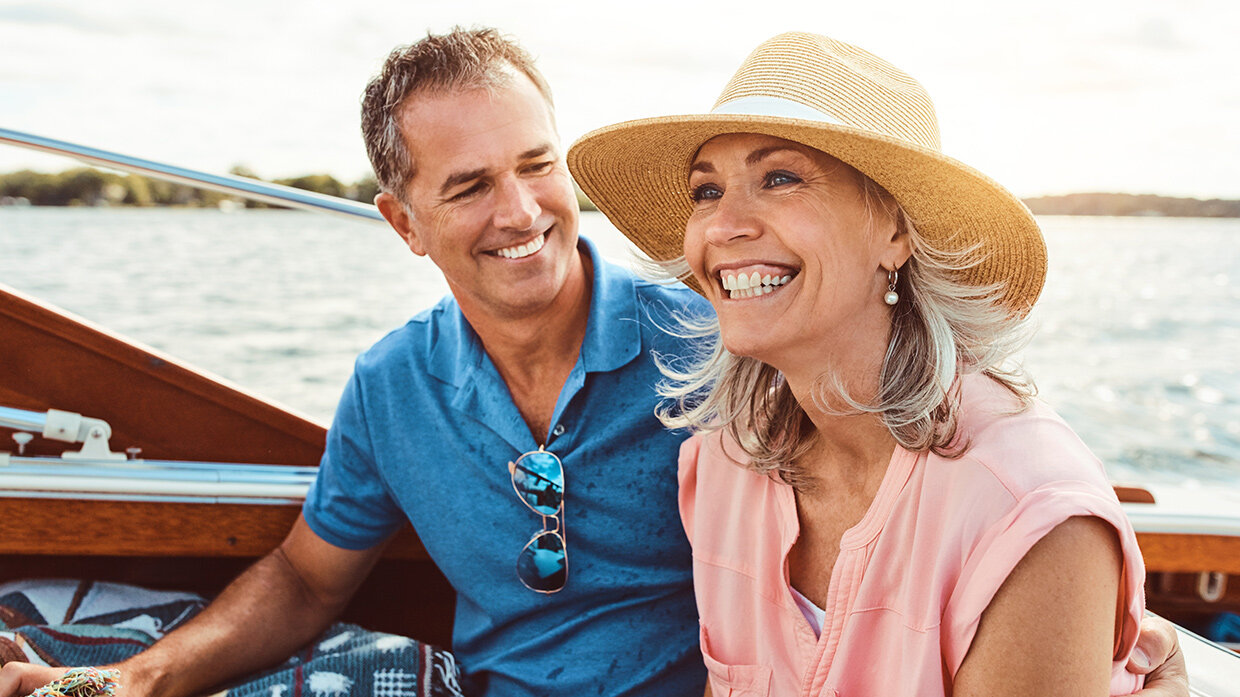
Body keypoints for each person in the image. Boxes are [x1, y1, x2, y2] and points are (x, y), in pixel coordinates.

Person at [0, 27, 1188, 697]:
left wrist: (1100, 613)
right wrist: (134, 684)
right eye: (467, 186)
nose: (522, 211)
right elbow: (310, 580)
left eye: (536, 164)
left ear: (896, 229)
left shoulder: (719, 353)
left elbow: (978, 467)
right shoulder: (728, 437)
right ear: (403, 224)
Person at [568, 31, 1185, 696]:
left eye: (780, 178)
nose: (723, 225)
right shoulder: (721, 465)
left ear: (896, 232)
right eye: (707, 190)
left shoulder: (1028, 510)